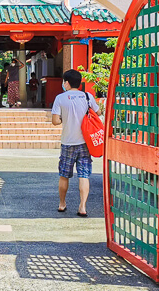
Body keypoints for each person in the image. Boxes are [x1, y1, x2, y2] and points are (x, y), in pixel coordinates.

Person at [51, 69, 102, 217]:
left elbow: (55, 121)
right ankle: (83, 206)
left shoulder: (60, 98)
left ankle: (62, 203)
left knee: (64, 175)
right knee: (84, 175)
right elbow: (98, 114)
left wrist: (63, 119)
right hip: (85, 143)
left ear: (66, 83)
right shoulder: (88, 97)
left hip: (68, 142)